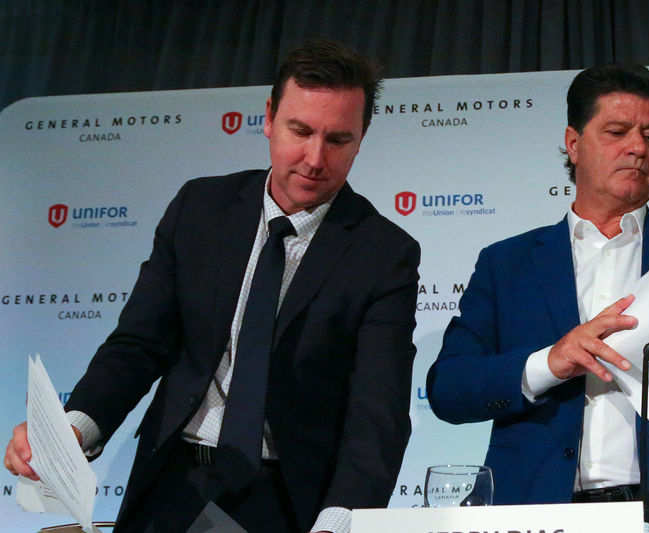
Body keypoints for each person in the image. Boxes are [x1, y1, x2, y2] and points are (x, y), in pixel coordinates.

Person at [4, 39, 420, 533]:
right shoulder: (200, 208)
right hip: (171, 481)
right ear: (268, 118)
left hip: (287, 498)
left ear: (362, 137)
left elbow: (378, 413)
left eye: (338, 140)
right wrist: (72, 430)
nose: (314, 158)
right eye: (300, 130)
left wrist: (340, 520)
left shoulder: (384, 254)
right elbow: (138, 345)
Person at [426, 63, 649, 533]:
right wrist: (550, 362)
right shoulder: (507, 264)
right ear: (574, 143)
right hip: (537, 516)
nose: (638, 148)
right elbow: (448, 389)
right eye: (617, 131)